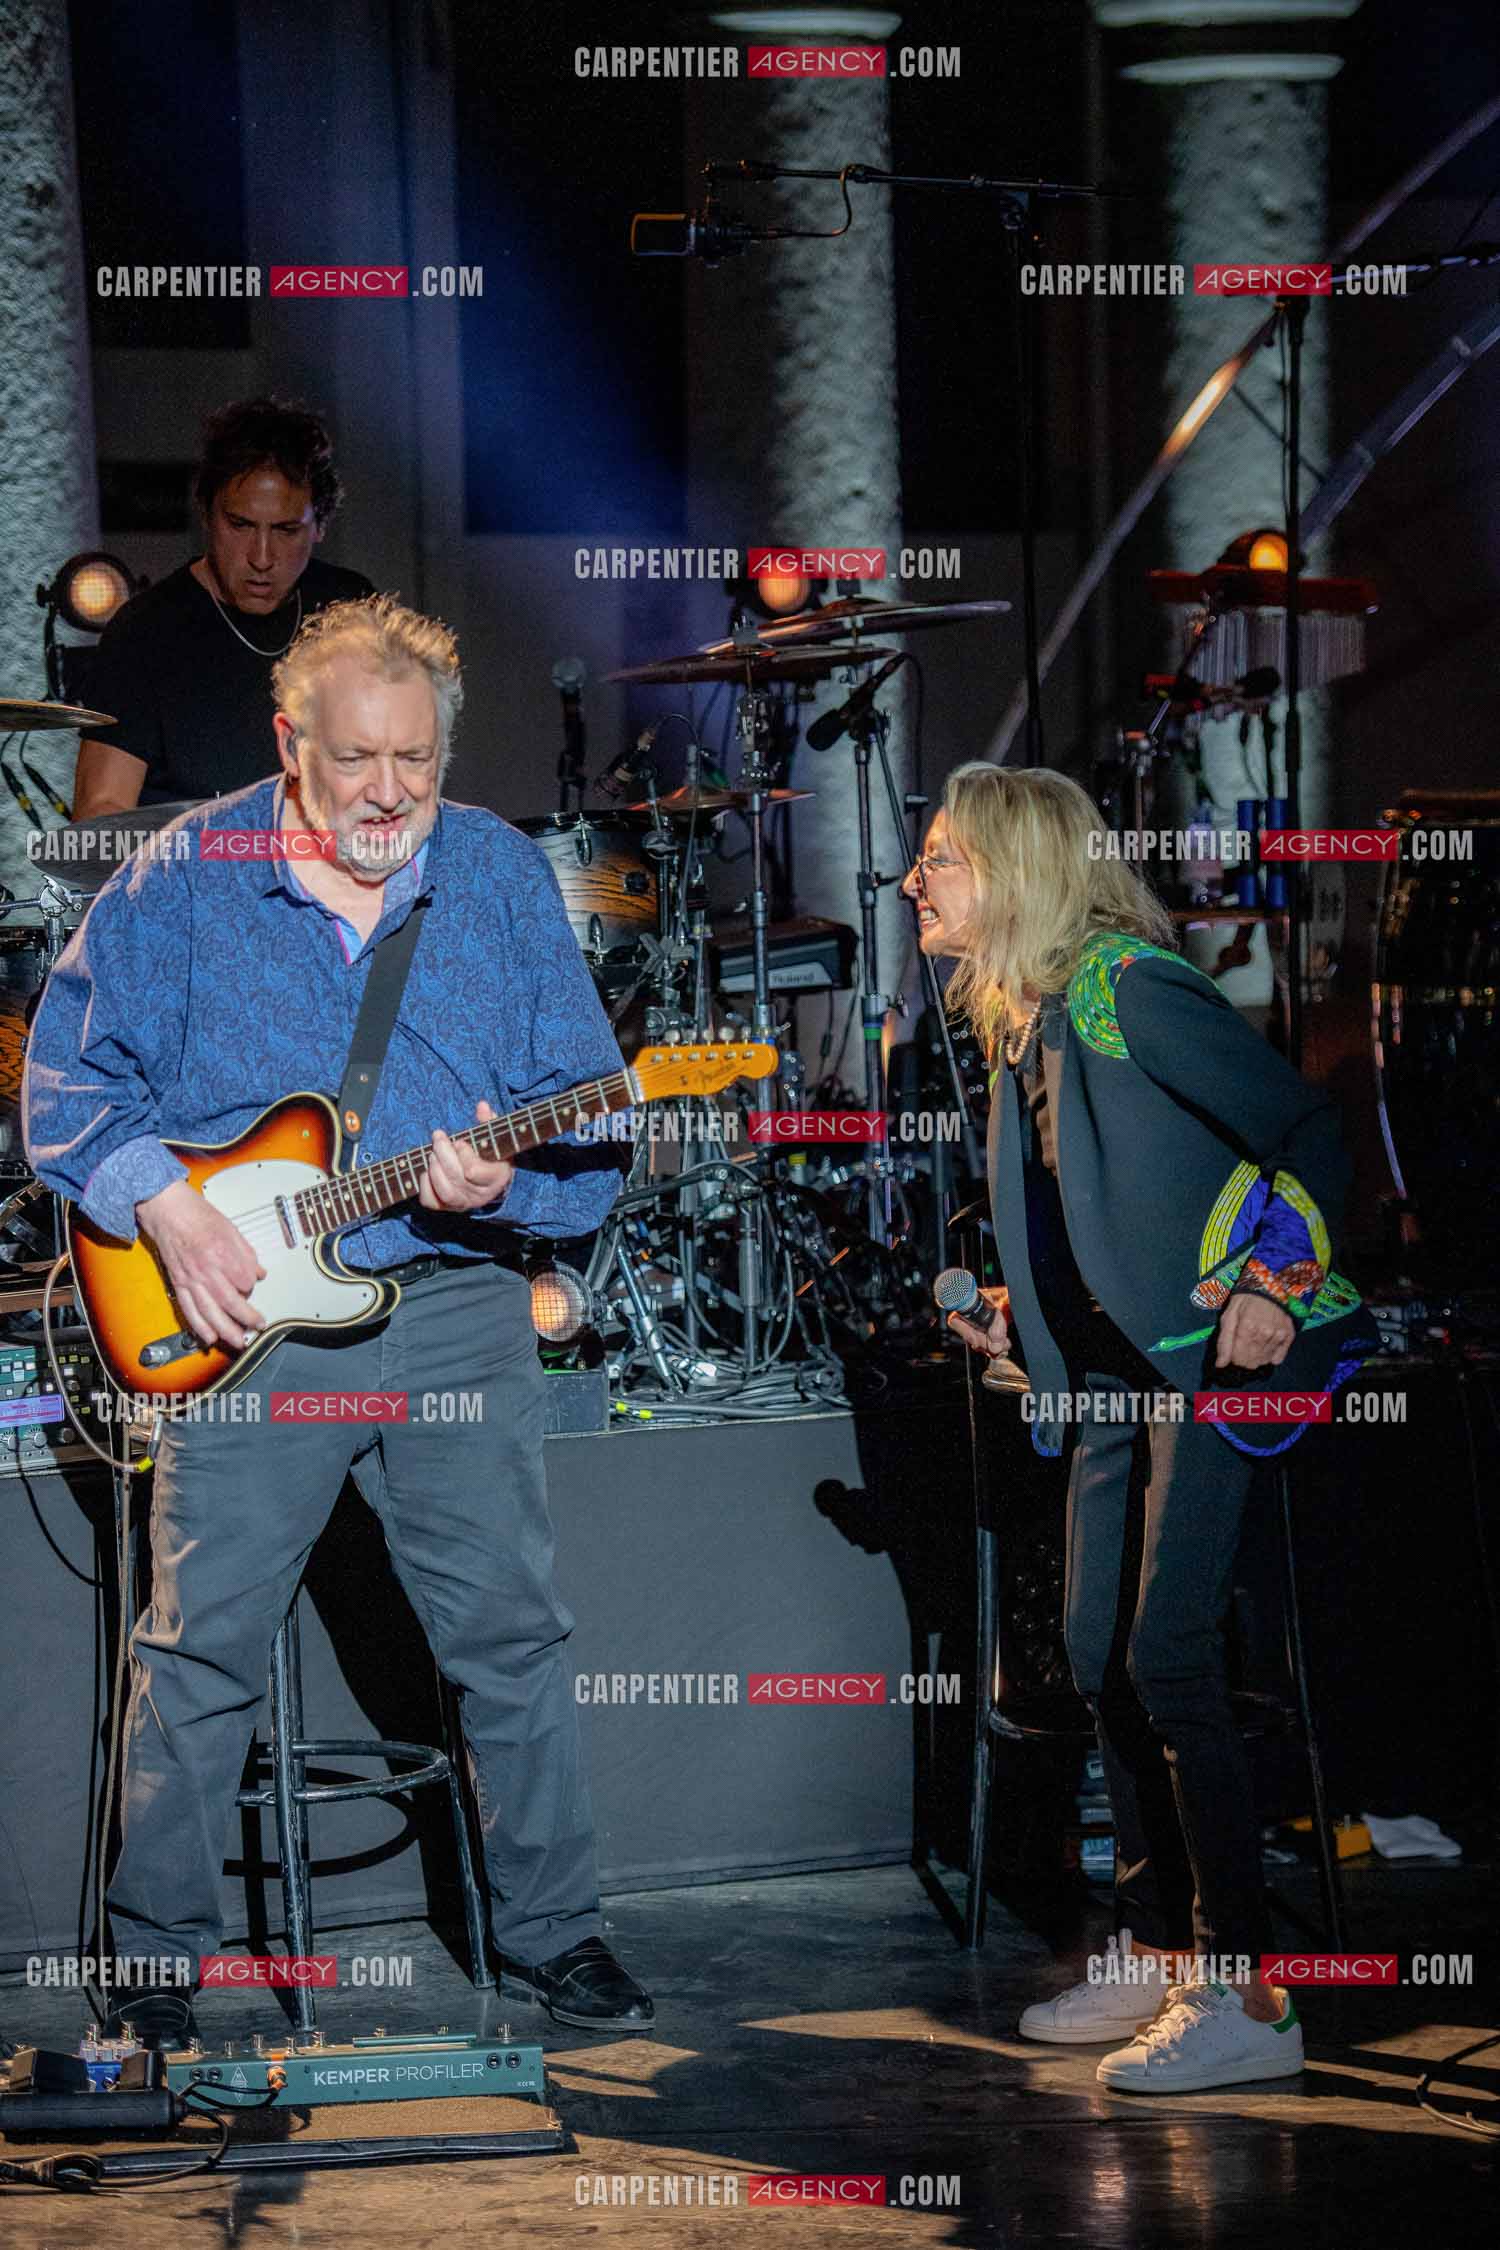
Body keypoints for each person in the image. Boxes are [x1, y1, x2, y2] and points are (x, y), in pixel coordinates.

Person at [26, 594, 653, 2040]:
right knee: (199, 1652)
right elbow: (62, 1080)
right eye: (359, 757)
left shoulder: (493, 872)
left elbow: (594, 1107)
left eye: (417, 762)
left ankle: (556, 1936)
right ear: (288, 740)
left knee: (511, 1633)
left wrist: (512, 1176)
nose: (390, 792)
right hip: (246, 1322)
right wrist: (168, 1213)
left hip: (450, 1305)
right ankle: (158, 1974)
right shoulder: (189, 871)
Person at [902, 763, 1377, 2096]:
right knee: (1101, 1652)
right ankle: (1168, 1945)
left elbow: (1303, 1125)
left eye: (942, 856)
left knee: (1168, 1652)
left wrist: (1274, 1288)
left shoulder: (1125, 989)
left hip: (1216, 1360)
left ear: (1016, 868)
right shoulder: (1022, 1016)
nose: (915, 880)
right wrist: (1017, 1314)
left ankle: (1251, 1996)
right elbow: (1100, 1219)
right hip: (1117, 1375)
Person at [72, 395, 375, 817]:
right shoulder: (145, 631)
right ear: (207, 515)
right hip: (191, 875)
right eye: (240, 525)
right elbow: (100, 811)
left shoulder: (348, 610)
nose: (262, 557)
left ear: (320, 526)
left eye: (286, 530)